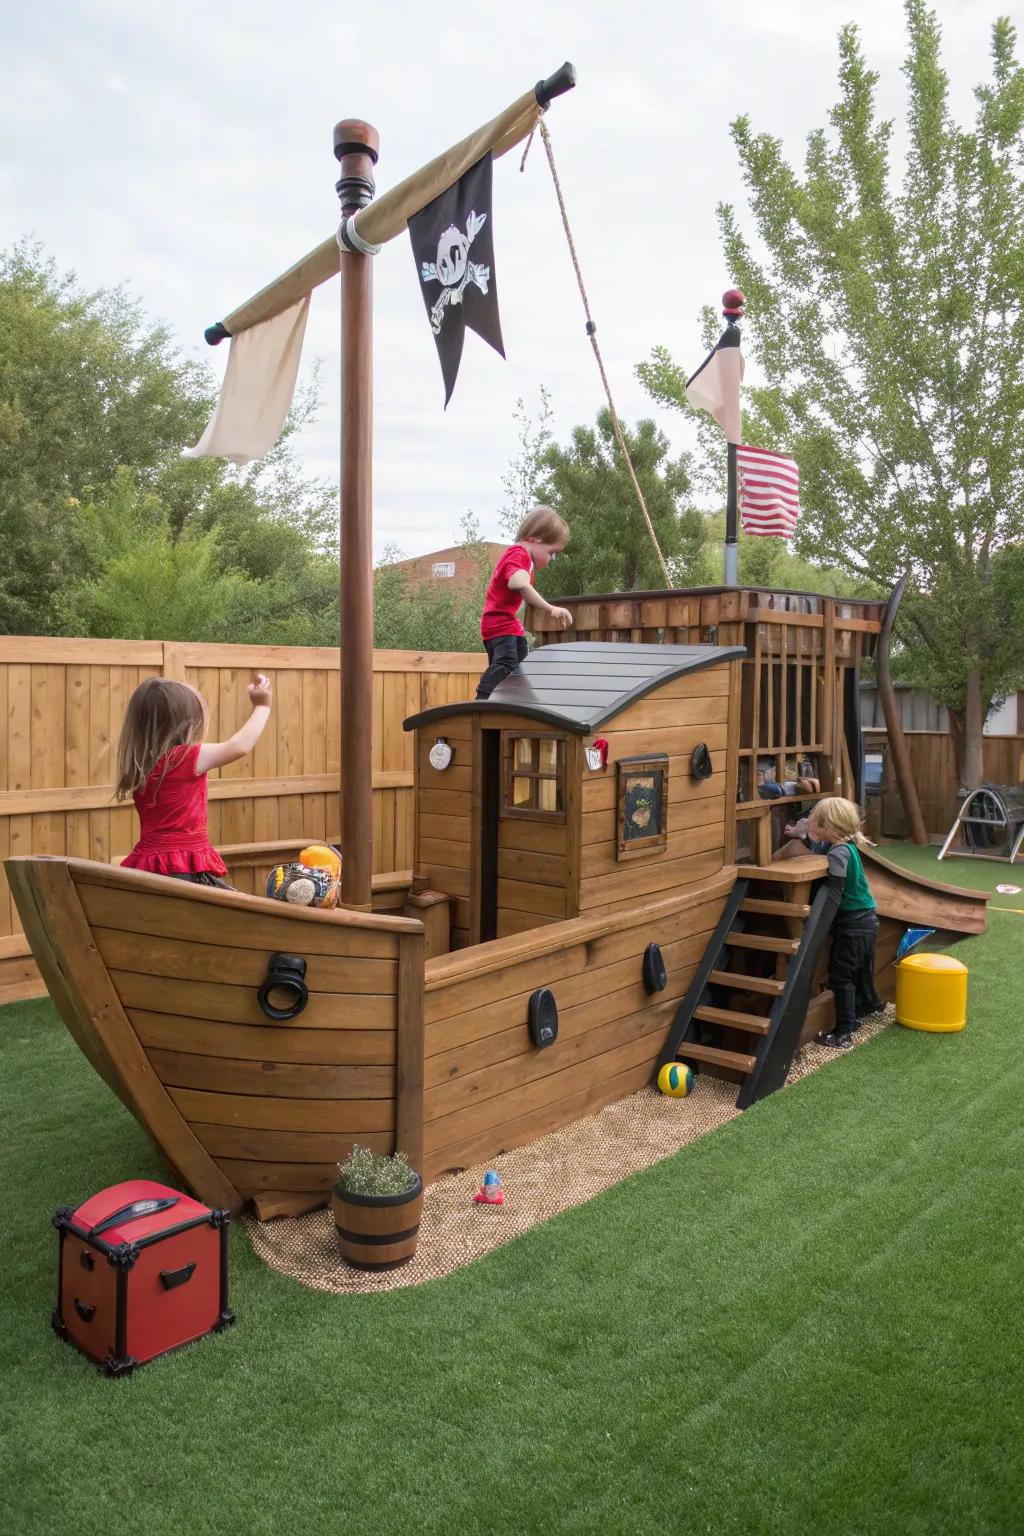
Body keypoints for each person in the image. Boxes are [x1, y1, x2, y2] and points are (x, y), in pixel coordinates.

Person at [115, 672, 273, 888]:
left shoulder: (141, 763)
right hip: (180, 869)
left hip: (150, 865)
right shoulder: (183, 758)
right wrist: (263, 706)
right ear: (186, 724)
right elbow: (240, 746)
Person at [777, 796, 885, 1049]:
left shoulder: (837, 853)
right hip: (866, 920)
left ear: (829, 827)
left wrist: (816, 925)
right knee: (858, 971)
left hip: (853, 925)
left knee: (840, 978)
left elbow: (834, 894)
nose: (810, 823)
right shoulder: (845, 846)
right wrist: (801, 835)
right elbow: (818, 847)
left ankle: (844, 1031)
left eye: (814, 821)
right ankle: (866, 1008)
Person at [475, 506, 573, 700]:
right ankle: (484, 695)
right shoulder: (519, 554)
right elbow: (517, 582)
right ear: (536, 540)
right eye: (551, 552)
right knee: (507, 662)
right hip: (499, 624)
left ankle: (521, 700)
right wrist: (550, 608)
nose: (552, 559)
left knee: (521, 663)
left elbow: (520, 587)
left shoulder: (521, 556)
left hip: (506, 623)